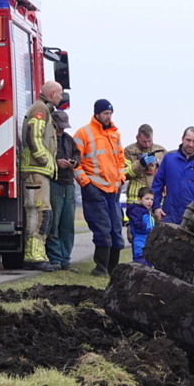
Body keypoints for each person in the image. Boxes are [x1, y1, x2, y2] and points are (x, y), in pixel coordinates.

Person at [73, 99, 126, 276]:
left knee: (116, 229)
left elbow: (120, 159)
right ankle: (101, 268)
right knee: (102, 229)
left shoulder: (115, 134)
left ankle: (112, 269)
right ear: (97, 114)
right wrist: (85, 183)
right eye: (105, 114)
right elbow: (75, 161)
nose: (108, 117)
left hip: (113, 190)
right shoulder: (83, 133)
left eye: (110, 114)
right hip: (94, 188)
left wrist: (121, 178)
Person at [19, 80, 63, 272]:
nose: (62, 97)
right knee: (38, 214)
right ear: (52, 93)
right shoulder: (40, 109)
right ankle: (33, 256)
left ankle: (38, 254)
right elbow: (32, 137)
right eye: (60, 93)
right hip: (36, 172)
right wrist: (45, 160)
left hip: (39, 173)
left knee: (43, 213)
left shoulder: (44, 109)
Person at [152, 126, 194, 225]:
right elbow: (157, 184)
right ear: (182, 139)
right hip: (169, 214)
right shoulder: (169, 159)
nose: (191, 144)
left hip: (193, 218)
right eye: (188, 140)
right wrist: (156, 207)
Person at [46, 109, 81, 271]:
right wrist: (56, 162)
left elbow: (77, 155)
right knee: (54, 223)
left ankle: (65, 260)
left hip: (69, 183)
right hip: (54, 183)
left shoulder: (68, 139)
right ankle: (55, 259)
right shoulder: (47, 139)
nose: (61, 129)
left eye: (63, 126)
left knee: (67, 225)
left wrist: (74, 162)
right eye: (59, 126)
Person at [123, 124, 166, 208]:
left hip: (155, 200)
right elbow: (124, 174)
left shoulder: (161, 152)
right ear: (137, 137)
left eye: (150, 141)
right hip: (135, 201)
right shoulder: (128, 151)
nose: (147, 144)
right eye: (144, 141)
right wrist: (140, 163)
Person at [126, 187, 156, 266]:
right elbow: (137, 224)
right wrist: (150, 229)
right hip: (140, 241)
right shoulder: (136, 210)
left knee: (148, 262)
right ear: (139, 199)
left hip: (147, 242)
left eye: (151, 199)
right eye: (147, 199)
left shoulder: (148, 212)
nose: (150, 201)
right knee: (141, 262)